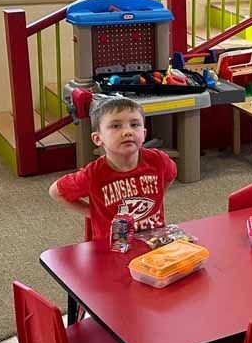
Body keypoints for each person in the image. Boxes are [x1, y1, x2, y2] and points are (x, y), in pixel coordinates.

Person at [48, 96, 177, 244]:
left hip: (153, 240)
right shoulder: (93, 174)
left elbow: (170, 174)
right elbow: (56, 192)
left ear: (144, 134)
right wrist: (92, 213)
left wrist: (158, 199)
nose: (127, 132)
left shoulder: (158, 160)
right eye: (116, 126)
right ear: (98, 139)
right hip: (113, 245)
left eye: (134, 124)